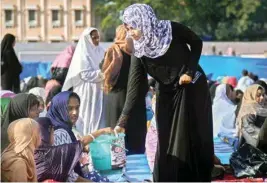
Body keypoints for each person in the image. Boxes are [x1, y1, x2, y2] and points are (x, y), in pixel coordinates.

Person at [115, 4, 213, 181]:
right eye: (128, 28)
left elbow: (197, 42)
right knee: (165, 138)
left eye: (133, 27)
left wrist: (189, 71)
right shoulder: (139, 49)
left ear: (144, 22)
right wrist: (122, 120)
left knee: (188, 134)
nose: (131, 33)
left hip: (190, 86)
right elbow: (135, 86)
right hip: (165, 90)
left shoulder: (171, 29)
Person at [101, 25, 147, 154]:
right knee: (134, 143)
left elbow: (104, 72)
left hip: (113, 100)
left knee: (116, 140)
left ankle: (118, 164)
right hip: (133, 102)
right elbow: (143, 82)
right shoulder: (136, 53)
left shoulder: (112, 51)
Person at [47, 91, 111, 182]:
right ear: (59, 108)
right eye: (70, 108)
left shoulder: (61, 127)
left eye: (77, 108)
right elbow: (68, 175)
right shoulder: (59, 133)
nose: (75, 112)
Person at [62, 28, 105, 134]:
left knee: (98, 116)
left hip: (99, 90)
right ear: (87, 39)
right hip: (86, 91)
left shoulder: (101, 51)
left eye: (97, 37)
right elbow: (84, 74)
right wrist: (101, 74)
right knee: (86, 115)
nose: (96, 40)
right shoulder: (82, 54)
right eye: (93, 38)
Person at [34, 117, 86, 182]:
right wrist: (100, 132)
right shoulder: (52, 154)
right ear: (48, 132)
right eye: (53, 131)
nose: (54, 135)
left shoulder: (32, 152)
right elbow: (80, 144)